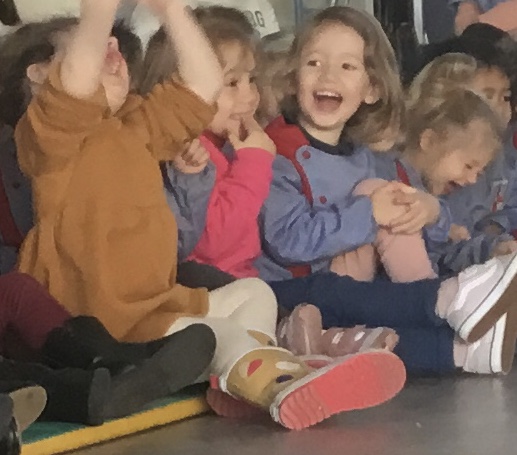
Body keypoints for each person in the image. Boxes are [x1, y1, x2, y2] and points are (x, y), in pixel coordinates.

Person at [15, 0, 405, 431]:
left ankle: (246, 375)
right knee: (222, 336)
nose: (110, 50)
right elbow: (74, 85)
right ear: (39, 77)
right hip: (101, 320)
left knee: (256, 294)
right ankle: (280, 382)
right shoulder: (52, 141)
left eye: (115, 46)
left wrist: (172, 11)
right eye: (91, 47)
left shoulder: (135, 126)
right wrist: (99, 13)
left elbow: (203, 83)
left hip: (157, 304)